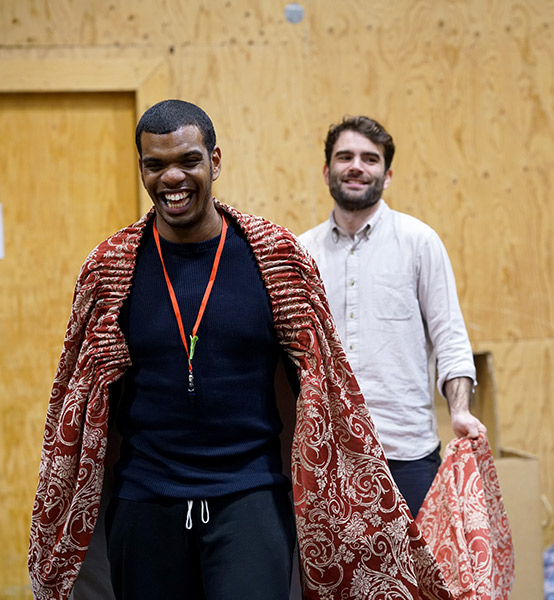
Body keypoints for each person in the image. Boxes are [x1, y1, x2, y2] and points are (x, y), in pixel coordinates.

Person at [27, 100, 461, 600]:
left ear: (215, 161)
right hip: (145, 501)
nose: (173, 178)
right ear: (142, 169)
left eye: (188, 161)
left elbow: (327, 387)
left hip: (249, 498)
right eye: (155, 165)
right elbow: (77, 399)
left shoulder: (277, 259)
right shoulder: (110, 270)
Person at [299, 115, 486, 518]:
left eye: (370, 159)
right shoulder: (302, 252)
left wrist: (460, 411)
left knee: (413, 581)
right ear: (326, 170)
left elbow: (450, 337)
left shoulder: (419, 243)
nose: (356, 166)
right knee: (338, 582)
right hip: (329, 456)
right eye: (345, 156)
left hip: (407, 455)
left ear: (387, 175)